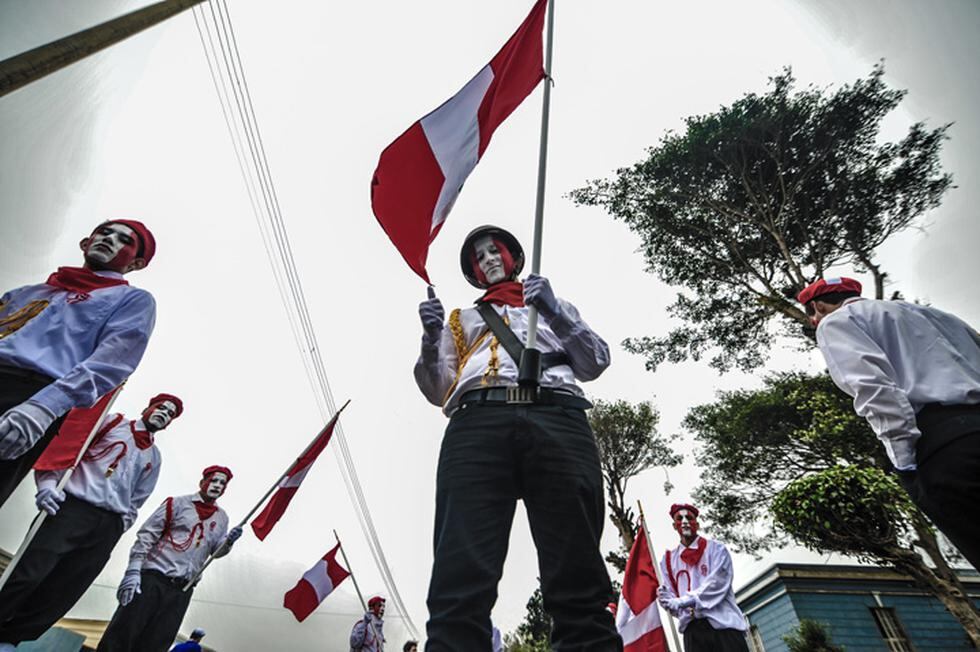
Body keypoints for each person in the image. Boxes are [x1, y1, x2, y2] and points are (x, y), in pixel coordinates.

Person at [415, 225, 620, 651]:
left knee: (576, 567)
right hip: (478, 422)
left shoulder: (553, 305)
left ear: (512, 257)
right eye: (478, 257)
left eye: (495, 251)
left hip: (558, 414)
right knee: (461, 570)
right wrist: (431, 338)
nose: (488, 259)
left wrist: (556, 313)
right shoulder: (462, 320)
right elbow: (437, 388)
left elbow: (595, 361)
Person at [798, 276, 980, 570]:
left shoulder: (836, 322)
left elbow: (876, 390)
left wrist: (906, 464)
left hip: (946, 447)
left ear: (817, 306)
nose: (814, 322)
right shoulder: (937, 315)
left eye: (811, 315)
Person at [0, 393, 182, 650]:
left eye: (170, 414)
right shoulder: (112, 422)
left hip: (107, 525)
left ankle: (10, 638)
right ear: (148, 407)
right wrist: (48, 483)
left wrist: (119, 525)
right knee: (30, 572)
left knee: (66, 588)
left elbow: (138, 498)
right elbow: (67, 449)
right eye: (161, 407)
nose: (164, 413)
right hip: (72, 508)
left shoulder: (154, 457)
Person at [0, 219, 157, 506]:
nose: (109, 239)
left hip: (29, 398)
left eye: (124, 240)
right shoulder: (28, 293)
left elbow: (110, 362)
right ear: (85, 243)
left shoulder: (131, 300)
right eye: (104, 232)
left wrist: (43, 406)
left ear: (135, 264)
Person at [98, 466, 242, 652]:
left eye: (222, 483)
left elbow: (215, 552)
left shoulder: (222, 518)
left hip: (182, 589)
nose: (217, 486)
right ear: (202, 482)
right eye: (213, 480)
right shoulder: (177, 504)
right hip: (153, 579)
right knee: (123, 634)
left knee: (157, 642)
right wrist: (133, 570)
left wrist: (228, 542)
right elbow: (146, 536)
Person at [657, 503, 749, 651]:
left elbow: (717, 583)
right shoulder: (668, 560)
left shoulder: (716, 549)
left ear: (697, 524)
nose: (685, 521)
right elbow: (671, 597)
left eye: (689, 518)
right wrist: (666, 600)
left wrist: (684, 601)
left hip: (723, 626)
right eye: (680, 518)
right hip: (693, 633)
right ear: (674, 526)